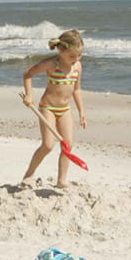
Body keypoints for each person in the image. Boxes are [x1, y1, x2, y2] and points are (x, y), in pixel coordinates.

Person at [21, 30, 86, 188]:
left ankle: (61, 180)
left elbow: (76, 89)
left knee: (67, 145)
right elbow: (28, 74)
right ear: (61, 50)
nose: (76, 59)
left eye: (79, 55)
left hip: (65, 109)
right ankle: (28, 175)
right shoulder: (51, 64)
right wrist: (29, 96)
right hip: (48, 108)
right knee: (48, 145)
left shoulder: (77, 66)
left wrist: (81, 112)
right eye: (72, 56)